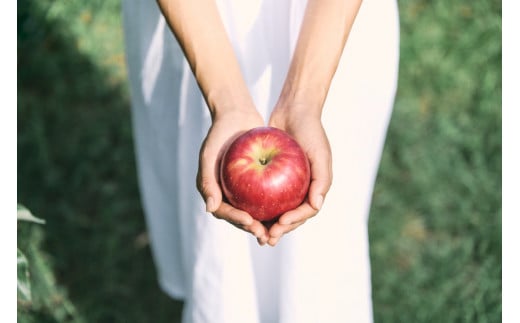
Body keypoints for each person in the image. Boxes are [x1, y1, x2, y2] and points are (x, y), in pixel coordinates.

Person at [121, 0, 399, 322]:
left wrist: (305, 100)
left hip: (330, 25)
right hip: (194, 19)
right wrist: (226, 101)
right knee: (215, 248)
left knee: (321, 251)